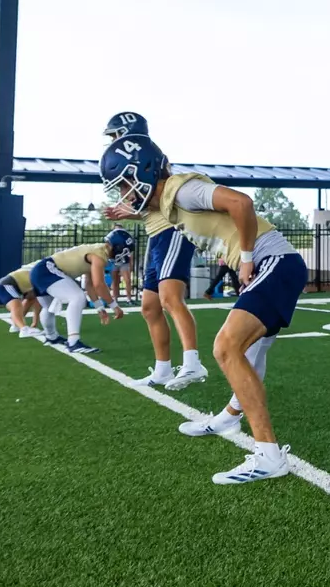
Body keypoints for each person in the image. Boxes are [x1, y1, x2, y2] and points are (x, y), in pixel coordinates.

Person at [104, 135, 310, 485]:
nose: (123, 192)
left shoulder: (182, 189)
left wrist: (245, 257)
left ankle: (270, 456)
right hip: (273, 264)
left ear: (140, 171)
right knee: (250, 351)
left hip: (273, 261)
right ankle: (230, 416)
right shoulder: (169, 203)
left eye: (124, 183)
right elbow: (164, 215)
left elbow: (241, 203)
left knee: (226, 347)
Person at [101, 115, 207, 392]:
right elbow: (149, 207)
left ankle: (193, 362)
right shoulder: (134, 159)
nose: (113, 141)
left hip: (172, 230)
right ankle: (162, 369)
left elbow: (165, 200)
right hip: (154, 234)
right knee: (149, 307)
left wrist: (133, 210)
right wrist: (130, 213)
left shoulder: (152, 157)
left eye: (115, 135)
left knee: (171, 298)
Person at [29, 229, 129, 354]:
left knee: (48, 306)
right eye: (125, 251)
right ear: (118, 247)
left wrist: (99, 308)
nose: (125, 255)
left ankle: (51, 336)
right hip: (48, 270)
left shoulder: (96, 251)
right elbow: (99, 285)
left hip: (41, 271)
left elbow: (90, 285)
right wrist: (114, 306)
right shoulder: (99, 255)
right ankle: (73, 342)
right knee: (77, 297)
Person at [0, 263, 49, 338]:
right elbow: (38, 302)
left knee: (31, 298)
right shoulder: (42, 270)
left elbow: (37, 300)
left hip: (12, 286)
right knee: (16, 306)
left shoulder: (41, 270)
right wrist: (34, 323)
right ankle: (24, 329)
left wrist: (34, 323)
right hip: (6, 285)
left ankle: (16, 325)